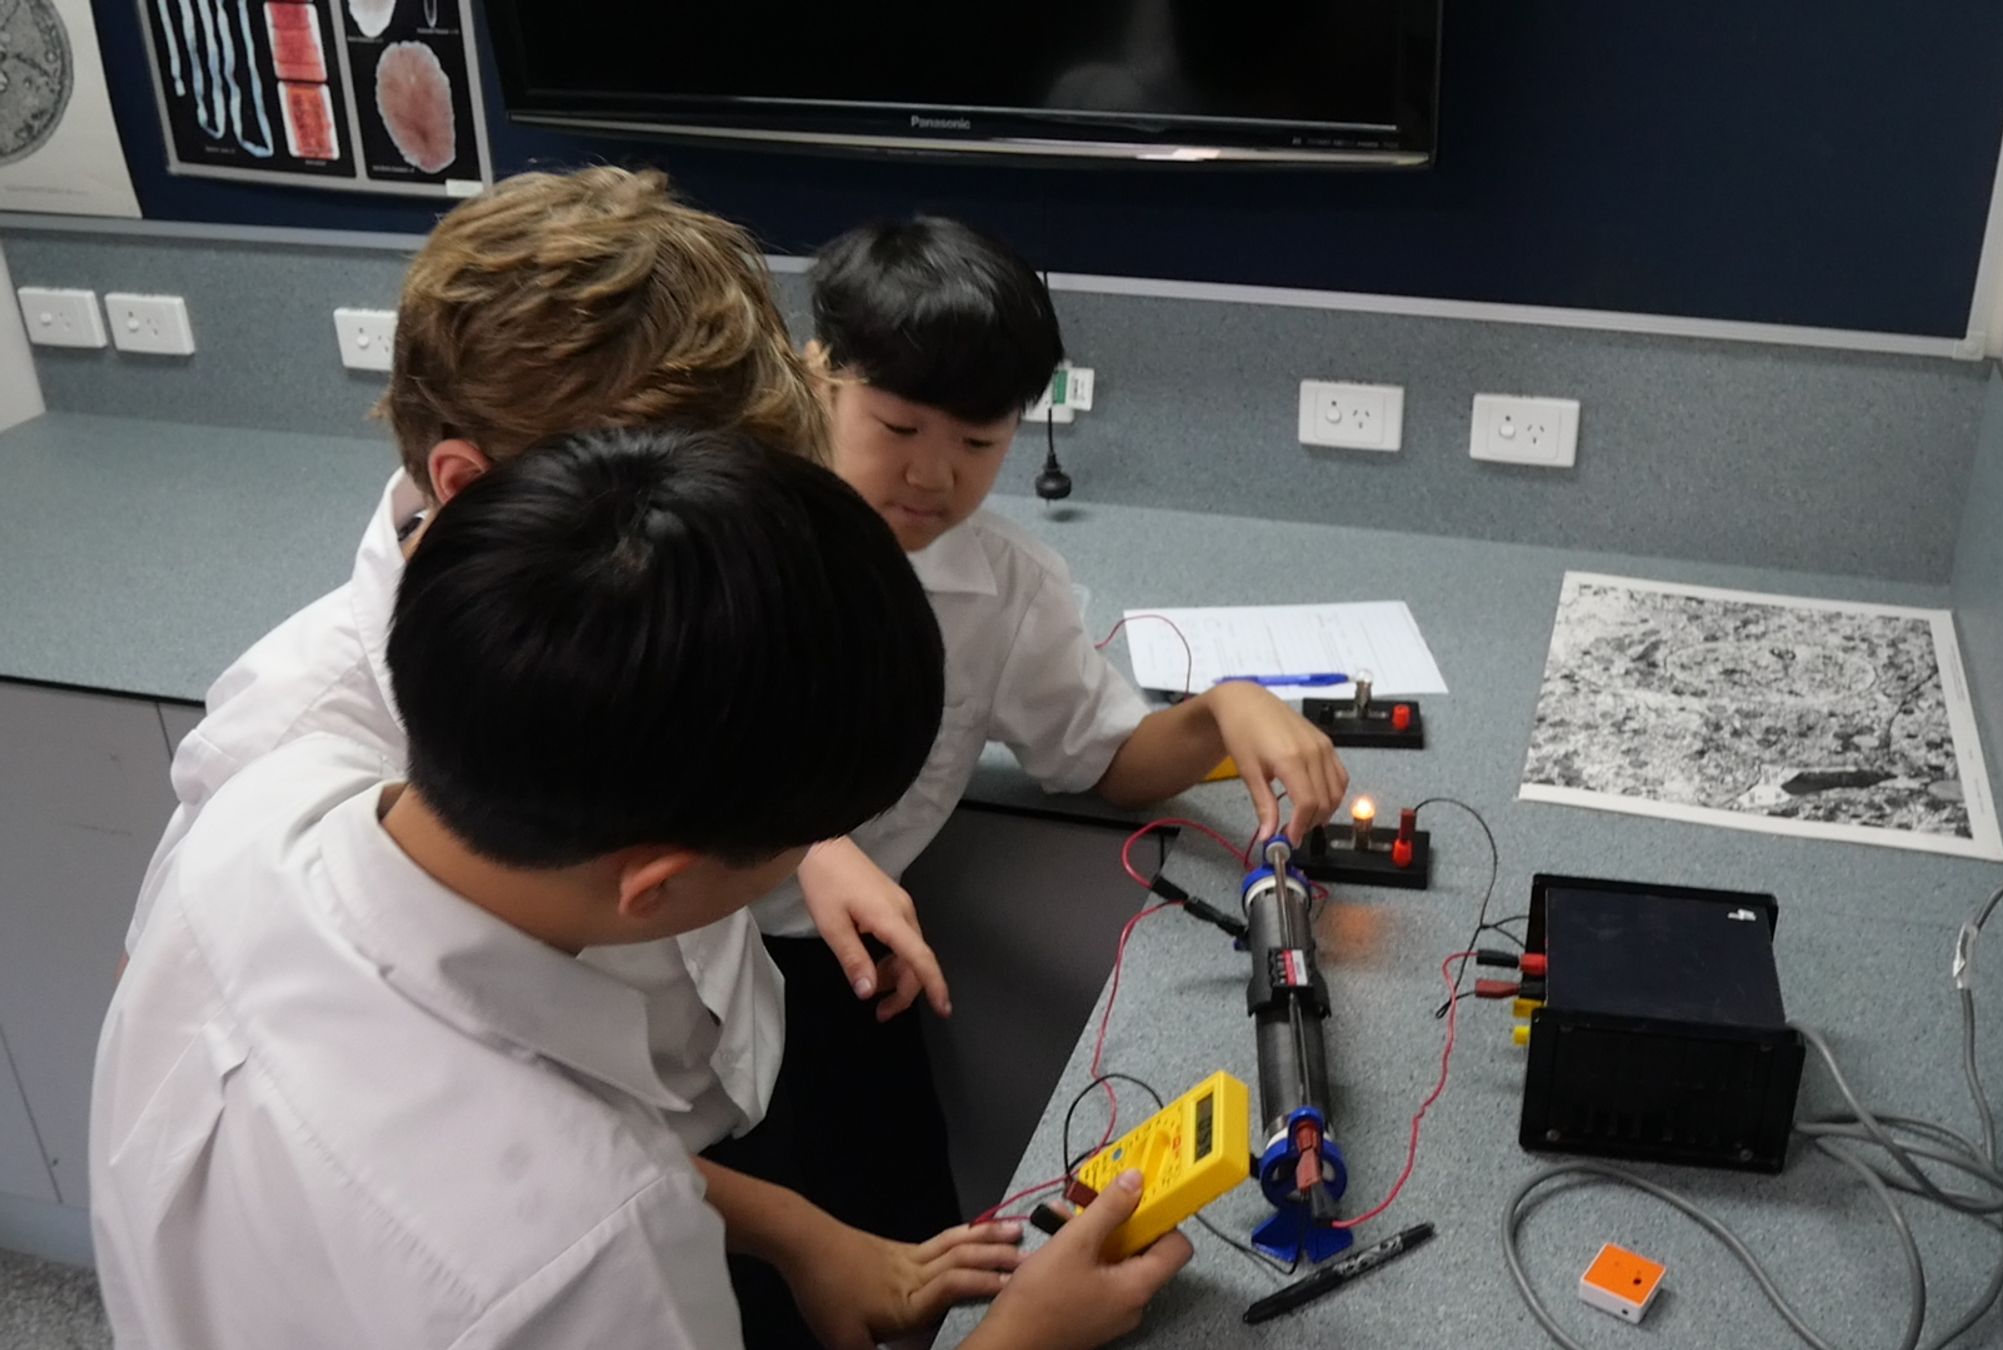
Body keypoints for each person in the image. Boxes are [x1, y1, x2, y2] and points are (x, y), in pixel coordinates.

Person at [91, 427, 1191, 1350]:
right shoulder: (590, 1259)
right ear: (657, 888)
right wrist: (1021, 1338)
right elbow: (563, 1224)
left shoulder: (266, 802)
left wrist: (795, 1229)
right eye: (806, 841)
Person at [118, 166, 956, 1341]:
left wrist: (796, 827)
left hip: (712, 1097)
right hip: (624, 1191)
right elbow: (445, 1148)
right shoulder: (286, 752)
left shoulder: (305, 819)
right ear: (469, 486)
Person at [710, 215, 1350, 1259]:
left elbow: (1104, 760)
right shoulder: (714, 532)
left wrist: (1221, 709)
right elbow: (646, 753)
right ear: (820, 376)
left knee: (907, 1249)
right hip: (674, 958)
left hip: (849, 981)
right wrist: (804, 843)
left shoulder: (1000, 588)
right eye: (899, 428)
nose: (934, 476)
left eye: (978, 444)